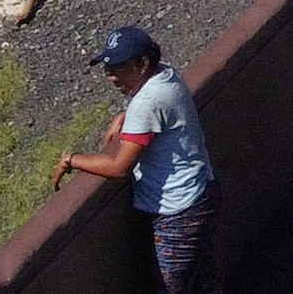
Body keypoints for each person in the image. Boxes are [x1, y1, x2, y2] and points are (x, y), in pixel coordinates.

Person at [53, 26, 219, 294]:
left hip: (177, 213)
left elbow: (119, 167)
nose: (109, 75)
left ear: (142, 64)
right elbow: (154, 109)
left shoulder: (147, 101)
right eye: (107, 68)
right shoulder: (166, 74)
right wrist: (127, 116)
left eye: (117, 67)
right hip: (202, 194)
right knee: (202, 282)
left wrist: (71, 160)